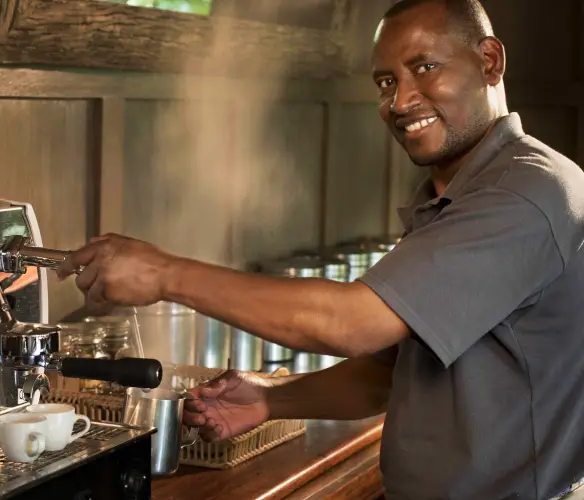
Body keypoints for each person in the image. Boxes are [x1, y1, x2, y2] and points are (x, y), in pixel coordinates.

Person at [57, 0, 584, 498]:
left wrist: (165, 274)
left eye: (425, 67)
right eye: (386, 82)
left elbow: (352, 323)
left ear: (489, 61)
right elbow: (387, 372)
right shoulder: (463, 194)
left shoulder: (524, 193)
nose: (400, 102)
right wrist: (270, 399)